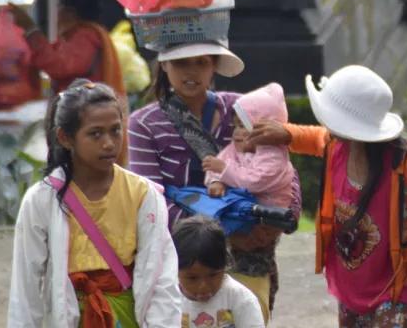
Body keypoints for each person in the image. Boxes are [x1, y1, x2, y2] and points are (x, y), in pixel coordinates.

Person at [246, 65, 407, 326]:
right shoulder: (336, 145)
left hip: (394, 289)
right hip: (350, 285)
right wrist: (288, 133)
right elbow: (317, 138)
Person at [127, 41, 300, 322]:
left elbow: (279, 166)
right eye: (181, 63)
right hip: (185, 262)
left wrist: (280, 218)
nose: (191, 71)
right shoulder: (144, 124)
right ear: (164, 66)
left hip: (250, 250)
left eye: (201, 62)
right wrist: (220, 234)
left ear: (214, 65)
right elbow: (149, 200)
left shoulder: (242, 109)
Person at [8, 79, 180, 327]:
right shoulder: (41, 200)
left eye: (115, 130)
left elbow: (162, 279)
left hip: (128, 316)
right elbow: (26, 288)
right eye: (95, 133)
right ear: (65, 138)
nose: (109, 143)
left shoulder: (143, 194)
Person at [8, 0, 125, 97]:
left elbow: (59, 66)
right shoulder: (76, 36)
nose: (57, 12)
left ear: (70, 11)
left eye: (59, 5)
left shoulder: (86, 37)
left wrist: (31, 30)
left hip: (86, 110)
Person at [203, 82, 295, 212]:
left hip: (271, 213)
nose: (235, 132)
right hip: (245, 208)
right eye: (234, 126)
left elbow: (255, 182)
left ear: (261, 127)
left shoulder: (273, 154)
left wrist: (224, 169)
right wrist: (215, 181)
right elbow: (217, 166)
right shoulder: (236, 148)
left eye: (242, 126)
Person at [173, 216, 266, 328]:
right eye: (192, 278)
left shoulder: (240, 299)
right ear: (174, 269)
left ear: (225, 265)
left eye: (212, 275)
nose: (203, 287)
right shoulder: (167, 299)